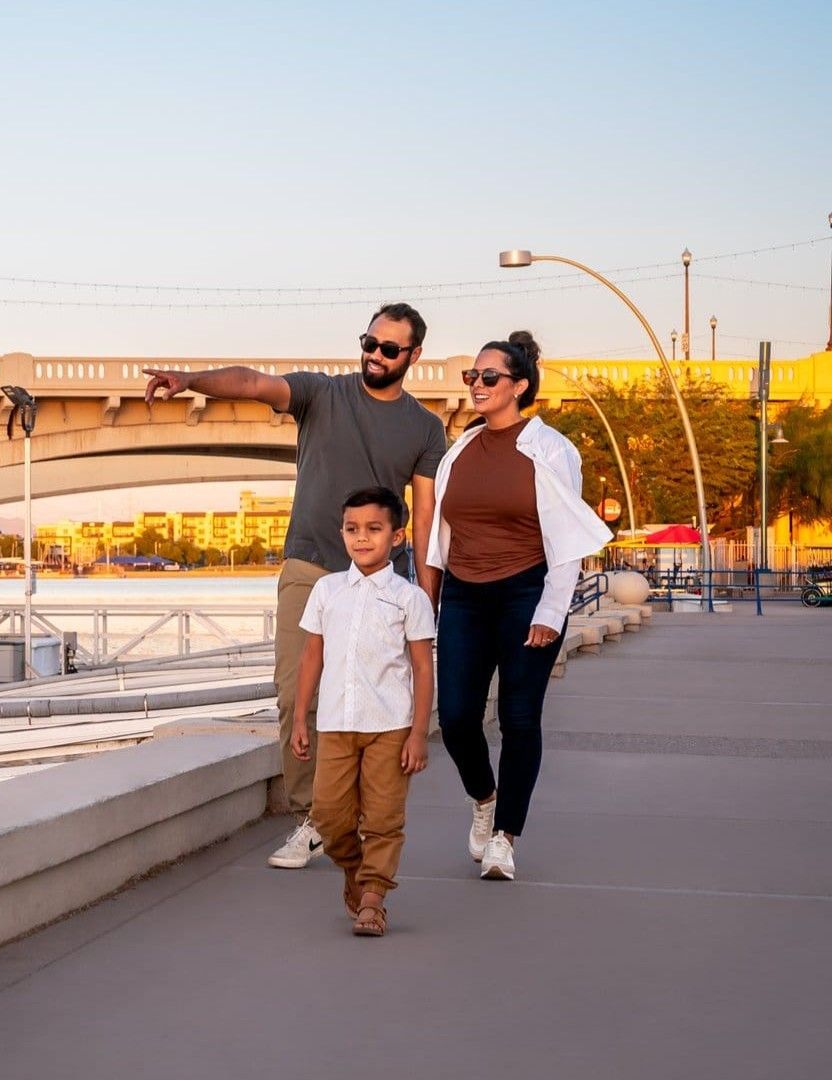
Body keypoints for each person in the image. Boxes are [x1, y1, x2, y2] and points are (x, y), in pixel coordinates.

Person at [144, 302, 447, 869]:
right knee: (295, 695)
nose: (374, 355)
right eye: (369, 342)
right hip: (309, 568)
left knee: (373, 702)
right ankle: (312, 817)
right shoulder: (321, 394)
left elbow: (425, 518)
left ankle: (358, 816)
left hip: (382, 581)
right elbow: (253, 383)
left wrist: (426, 597)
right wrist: (191, 381)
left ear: (413, 356)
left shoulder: (426, 428)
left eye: (388, 348)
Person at [427, 331, 611, 881]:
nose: (476, 386)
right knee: (457, 717)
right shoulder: (459, 448)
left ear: (519, 385)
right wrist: (426, 600)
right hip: (463, 592)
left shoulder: (551, 448)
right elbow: (440, 532)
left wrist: (550, 613)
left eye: (488, 378)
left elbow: (564, 539)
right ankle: (484, 797)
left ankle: (505, 836)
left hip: (525, 591)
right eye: (471, 378)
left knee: (518, 717)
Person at [289, 486, 435, 936]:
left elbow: (422, 667)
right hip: (335, 724)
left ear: (396, 536)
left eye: (374, 529)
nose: (361, 538)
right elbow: (312, 655)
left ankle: (373, 898)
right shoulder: (327, 590)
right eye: (353, 529)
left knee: (384, 817)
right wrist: (300, 717)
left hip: (390, 725)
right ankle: (355, 871)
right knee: (330, 819)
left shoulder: (410, 598)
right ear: (342, 534)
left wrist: (418, 734)